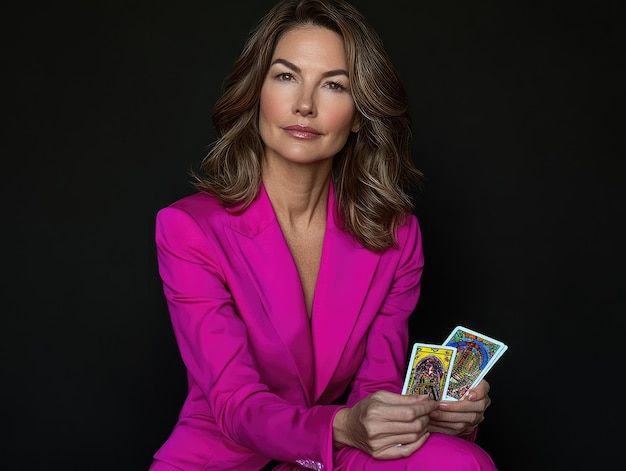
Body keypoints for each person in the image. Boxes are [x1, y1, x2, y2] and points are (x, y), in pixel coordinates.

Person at [149, 0, 497, 469]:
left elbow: (375, 389)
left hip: (339, 456)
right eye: (286, 76)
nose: (305, 105)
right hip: (229, 458)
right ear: (257, 91)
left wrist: (436, 412)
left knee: (459, 461)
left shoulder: (396, 237)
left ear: (358, 114)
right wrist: (341, 425)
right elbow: (236, 405)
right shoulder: (188, 228)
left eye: (333, 85)